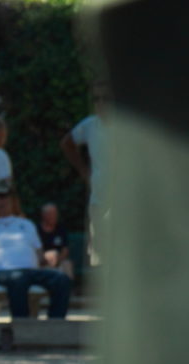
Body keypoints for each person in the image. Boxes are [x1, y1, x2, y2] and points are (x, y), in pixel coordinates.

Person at [0, 179, 71, 319]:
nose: (0, 201)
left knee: (61, 279)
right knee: (18, 278)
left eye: (3, 196)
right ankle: (21, 325)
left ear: (11, 199)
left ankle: (55, 323)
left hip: (31, 272)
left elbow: (40, 255)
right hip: (0, 274)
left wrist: (50, 255)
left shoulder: (26, 224)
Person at [61, 84, 109, 266]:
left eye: (106, 98)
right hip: (99, 200)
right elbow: (67, 143)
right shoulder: (90, 125)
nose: (101, 103)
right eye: (97, 99)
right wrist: (82, 170)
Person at [37, 202, 74, 280]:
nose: (54, 216)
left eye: (55, 213)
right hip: (41, 261)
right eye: (50, 213)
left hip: (58, 260)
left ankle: (69, 290)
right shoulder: (36, 230)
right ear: (44, 215)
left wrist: (57, 260)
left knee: (67, 264)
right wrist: (45, 259)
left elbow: (65, 250)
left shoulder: (61, 229)